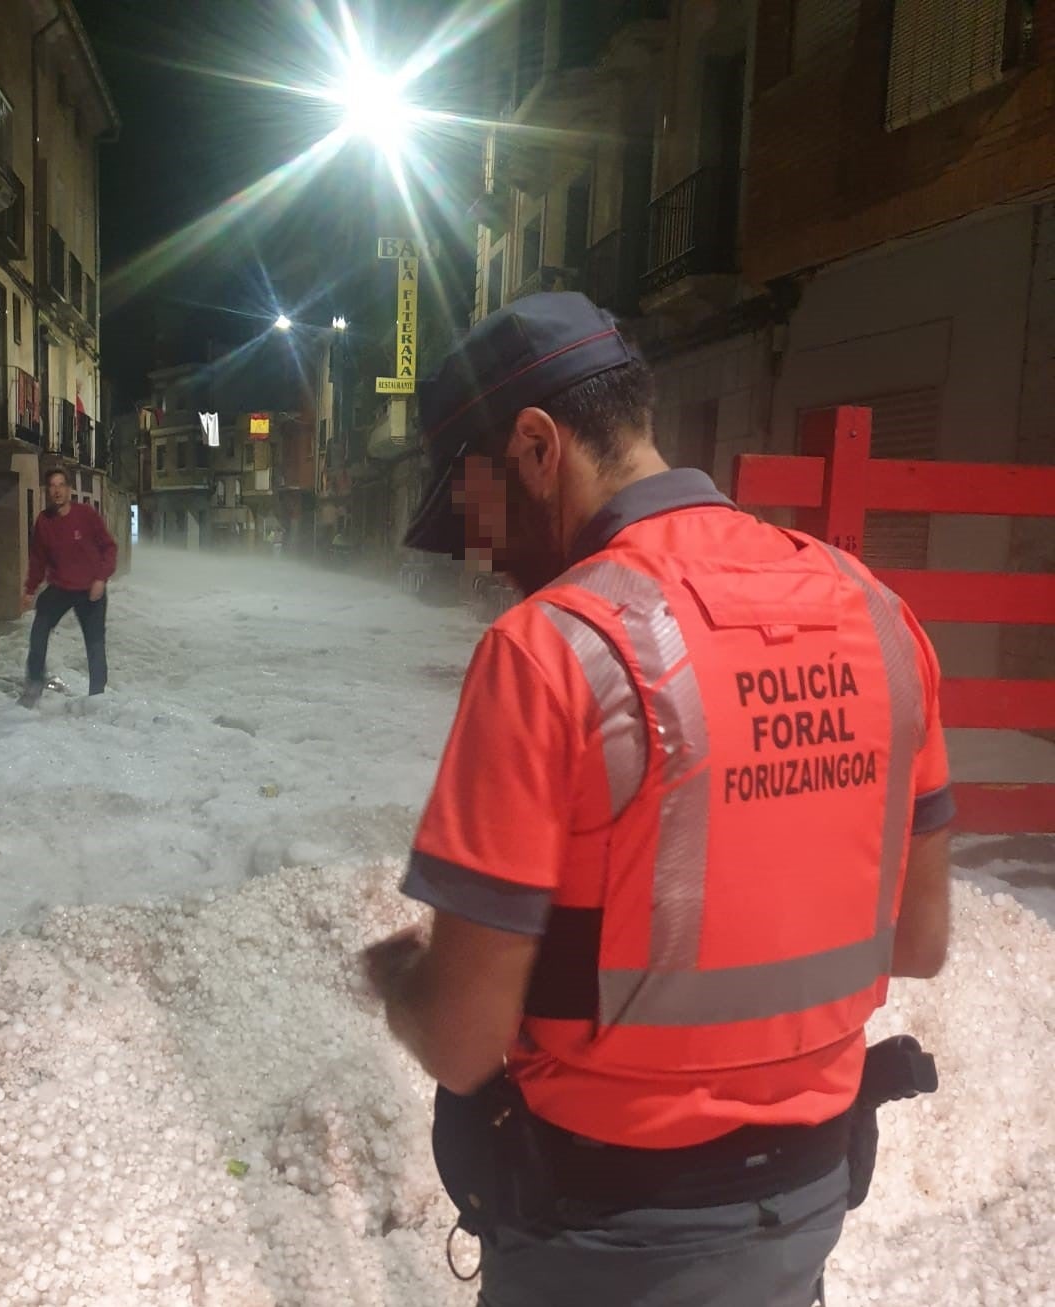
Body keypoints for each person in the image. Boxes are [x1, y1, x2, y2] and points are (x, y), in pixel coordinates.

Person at [363, 292, 954, 1307]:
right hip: (806, 1208)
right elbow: (918, 940)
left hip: (596, 1234)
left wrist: (396, 979)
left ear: (538, 447)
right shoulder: (880, 616)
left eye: (476, 509)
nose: (482, 552)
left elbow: (464, 1037)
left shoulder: (550, 650)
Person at [20, 468, 118, 704]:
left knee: (94, 642)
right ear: (47, 491)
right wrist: (30, 589)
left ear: (69, 489)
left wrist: (100, 579)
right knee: (39, 628)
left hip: (90, 589)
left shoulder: (86, 515)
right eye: (52, 486)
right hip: (61, 588)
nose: (57, 491)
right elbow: (38, 560)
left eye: (61, 485)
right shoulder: (44, 521)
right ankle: (34, 683)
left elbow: (109, 547)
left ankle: (97, 696)